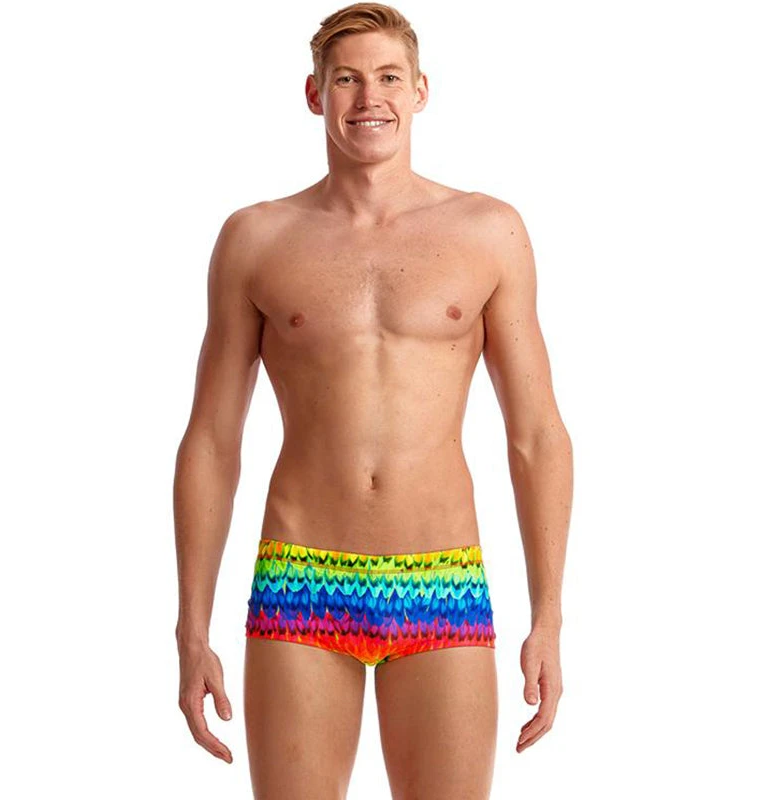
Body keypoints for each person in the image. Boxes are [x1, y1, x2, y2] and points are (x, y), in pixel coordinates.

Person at [173, 3, 572, 797]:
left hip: (441, 579)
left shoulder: (488, 232)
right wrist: (191, 625)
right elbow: (212, 440)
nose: (369, 98)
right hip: (301, 578)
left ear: (420, 91)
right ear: (314, 93)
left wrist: (550, 615)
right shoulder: (256, 237)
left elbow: (536, 435)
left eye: (388, 77)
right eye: (347, 80)